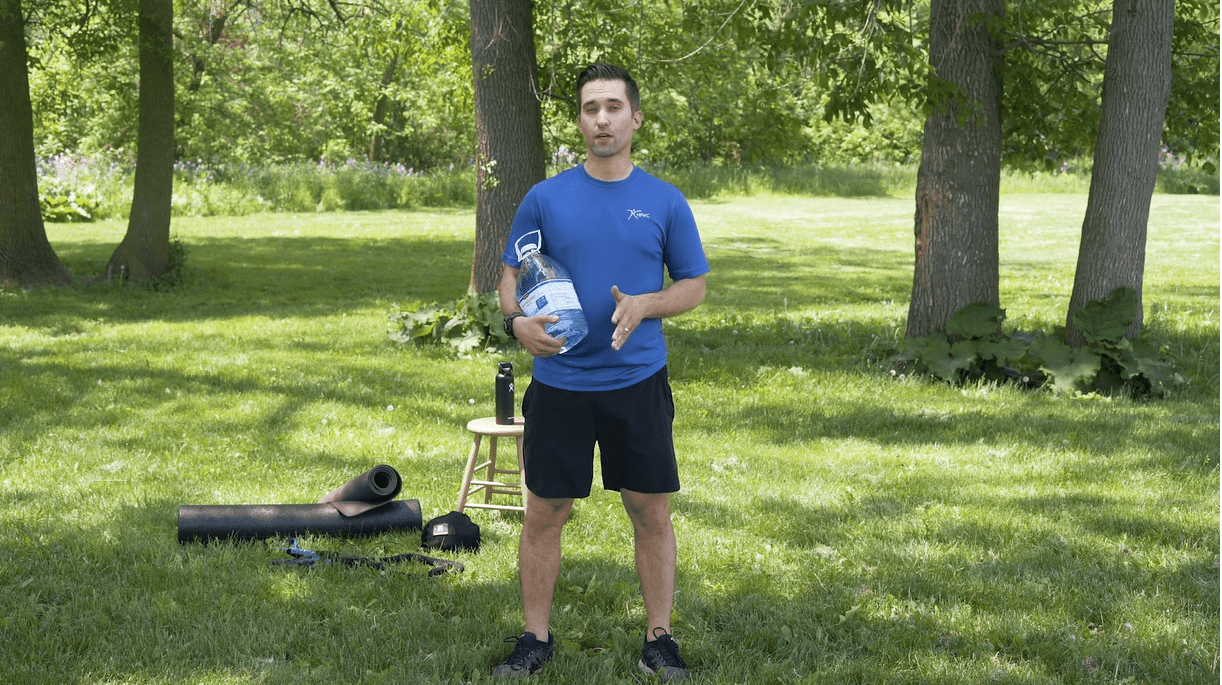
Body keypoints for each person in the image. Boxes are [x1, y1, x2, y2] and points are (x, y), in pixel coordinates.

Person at [494, 63, 710, 681]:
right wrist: (517, 326)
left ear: (635, 118)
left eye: (614, 107)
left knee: (650, 510)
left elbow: (693, 287)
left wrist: (647, 304)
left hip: (637, 382)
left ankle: (659, 639)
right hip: (560, 386)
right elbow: (511, 278)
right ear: (581, 121)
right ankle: (535, 637)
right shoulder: (546, 197)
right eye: (591, 109)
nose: (602, 119)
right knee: (544, 513)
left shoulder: (664, 200)